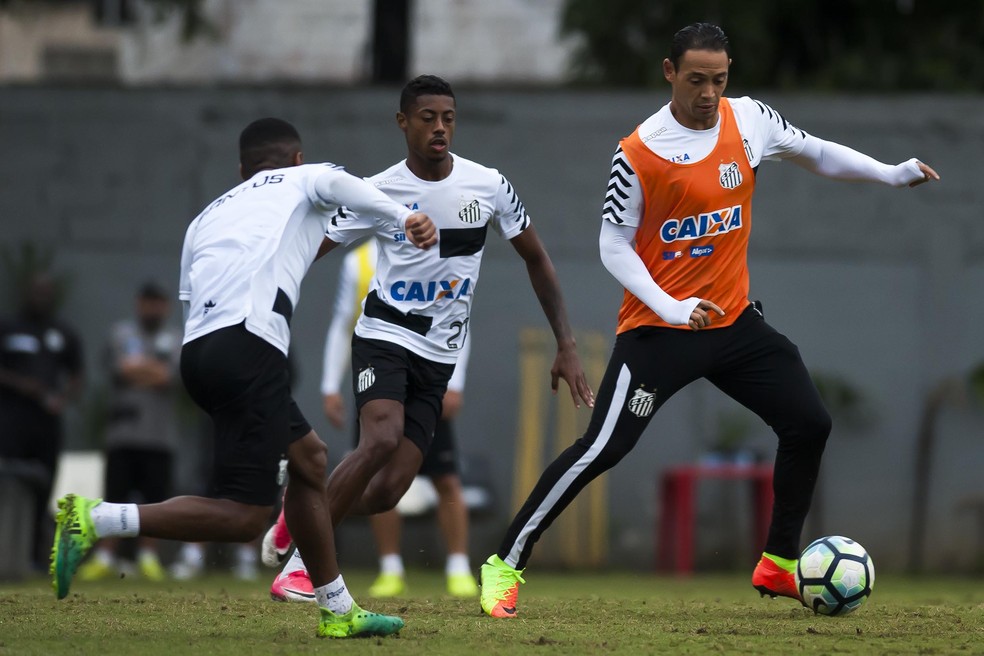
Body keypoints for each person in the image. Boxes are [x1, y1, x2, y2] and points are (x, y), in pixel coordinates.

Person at [478, 22, 940, 619]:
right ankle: (504, 564)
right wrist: (671, 307)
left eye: (718, 80)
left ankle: (777, 562)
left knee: (809, 423)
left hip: (735, 326)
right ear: (670, 72)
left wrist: (888, 171)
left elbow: (815, 151)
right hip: (659, 332)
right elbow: (612, 246)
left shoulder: (749, 120)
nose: (708, 93)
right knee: (602, 449)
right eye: (696, 80)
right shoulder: (638, 152)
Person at [50, 117, 438, 639]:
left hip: (199, 353)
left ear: (241, 169)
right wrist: (404, 214)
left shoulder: (206, 216)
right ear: (297, 159)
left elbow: (189, 301)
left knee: (310, 459)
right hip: (250, 343)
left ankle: (337, 607)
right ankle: (95, 519)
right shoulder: (307, 177)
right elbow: (346, 187)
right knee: (246, 517)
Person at [260, 74, 595, 604]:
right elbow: (310, 248)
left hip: (439, 356)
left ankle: (299, 509)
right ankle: (303, 566)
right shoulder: (379, 191)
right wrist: (264, 291)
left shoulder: (488, 186)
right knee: (381, 438)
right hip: (384, 336)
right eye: (427, 118)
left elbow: (537, 259)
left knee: (391, 490)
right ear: (403, 123)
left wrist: (567, 344)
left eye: (448, 118)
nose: (440, 128)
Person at [264, 237, 479, 600]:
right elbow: (343, 321)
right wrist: (331, 384)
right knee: (372, 455)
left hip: (430, 372)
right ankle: (387, 568)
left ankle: (458, 567)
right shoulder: (358, 261)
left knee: (406, 486)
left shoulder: (443, 242)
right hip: (381, 367)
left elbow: (459, 313)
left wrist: (455, 382)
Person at [77, 281, 182, 583]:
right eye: (148, 302)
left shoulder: (175, 338)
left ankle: (148, 557)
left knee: (156, 499)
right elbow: (120, 369)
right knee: (115, 495)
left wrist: (140, 370)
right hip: (123, 433)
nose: (153, 309)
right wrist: (149, 371)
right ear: (139, 304)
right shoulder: (121, 334)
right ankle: (105, 556)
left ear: (167, 306)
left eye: (158, 303)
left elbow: (169, 376)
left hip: (159, 436)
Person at [0, 272, 84, 572]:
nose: (41, 297)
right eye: (36, 291)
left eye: (47, 291)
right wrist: (21, 385)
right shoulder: (8, 327)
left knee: (43, 486)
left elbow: (77, 374)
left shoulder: (62, 332)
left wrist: (64, 396)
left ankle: (34, 557)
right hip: (11, 421)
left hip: (47, 423)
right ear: (26, 292)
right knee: (9, 483)